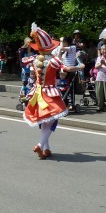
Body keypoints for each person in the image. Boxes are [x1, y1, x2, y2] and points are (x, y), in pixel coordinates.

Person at [23, 24, 83, 159]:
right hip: (50, 92)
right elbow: (65, 69)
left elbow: (27, 67)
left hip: (37, 92)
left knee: (45, 120)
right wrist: (79, 67)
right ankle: (40, 144)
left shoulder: (35, 59)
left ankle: (46, 149)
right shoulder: (54, 61)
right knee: (52, 119)